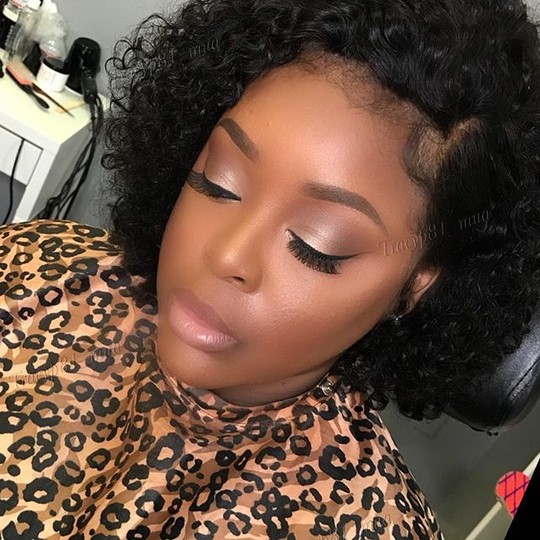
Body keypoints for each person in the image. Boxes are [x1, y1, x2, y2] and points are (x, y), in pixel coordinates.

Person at [0, 0, 539, 538]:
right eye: (218, 181)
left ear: (413, 288)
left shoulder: (362, 524)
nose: (227, 255)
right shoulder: (35, 269)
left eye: (317, 245)